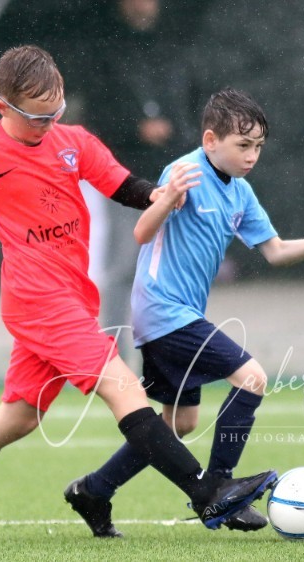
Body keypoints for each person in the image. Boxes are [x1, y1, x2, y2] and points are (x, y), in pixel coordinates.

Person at [0, 45, 277, 542]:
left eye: (56, 112)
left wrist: (163, 197)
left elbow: (124, 186)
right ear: (3, 108)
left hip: (73, 297)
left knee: (18, 418)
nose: (49, 125)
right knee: (122, 386)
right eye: (37, 118)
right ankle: (207, 493)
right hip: (37, 302)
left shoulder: (74, 141)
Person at [64, 88, 304, 536]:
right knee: (254, 378)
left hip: (175, 317)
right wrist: (165, 199)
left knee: (176, 425)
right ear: (210, 141)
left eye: (258, 146)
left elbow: (275, 252)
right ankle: (220, 490)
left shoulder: (240, 193)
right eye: (243, 145)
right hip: (164, 312)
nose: (252, 155)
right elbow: (142, 233)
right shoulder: (184, 173)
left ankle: (93, 490)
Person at [81, 0, 201, 361]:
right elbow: (96, 114)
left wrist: (176, 131)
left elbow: (192, 105)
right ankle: (114, 353)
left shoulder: (175, 48)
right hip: (126, 176)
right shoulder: (105, 50)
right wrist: (135, 129)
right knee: (124, 265)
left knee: (170, 268)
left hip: (171, 173)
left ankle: (166, 351)